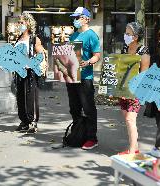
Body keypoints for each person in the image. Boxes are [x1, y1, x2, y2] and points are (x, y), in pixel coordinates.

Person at [68, 7, 101, 150]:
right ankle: (78, 134)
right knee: (74, 108)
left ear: (86, 19)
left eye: (78, 17)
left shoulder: (92, 35)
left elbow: (97, 55)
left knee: (88, 108)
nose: (75, 20)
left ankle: (91, 138)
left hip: (85, 77)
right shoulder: (73, 36)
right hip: (72, 77)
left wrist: (88, 62)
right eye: (74, 17)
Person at [118, 22, 150, 155]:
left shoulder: (144, 51)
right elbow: (121, 69)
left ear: (135, 37)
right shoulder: (125, 48)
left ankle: (132, 152)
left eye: (128, 34)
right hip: (123, 89)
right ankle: (134, 147)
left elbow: (143, 75)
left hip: (135, 91)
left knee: (130, 119)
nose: (125, 35)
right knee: (127, 118)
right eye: (125, 33)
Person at [14, 12, 44, 133]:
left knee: (30, 97)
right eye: (19, 22)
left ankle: (32, 122)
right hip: (19, 72)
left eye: (22, 22)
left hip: (30, 72)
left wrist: (30, 64)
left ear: (28, 23)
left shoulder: (33, 38)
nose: (20, 24)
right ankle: (24, 121)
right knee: (20, 97)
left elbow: (41, 54)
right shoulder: (19, 38)